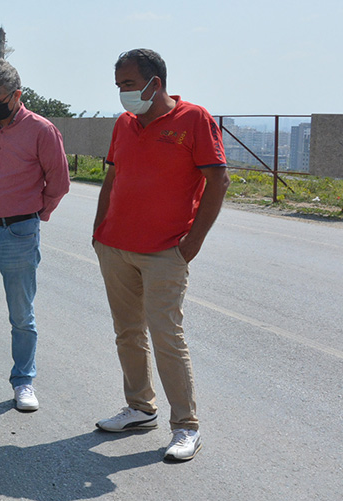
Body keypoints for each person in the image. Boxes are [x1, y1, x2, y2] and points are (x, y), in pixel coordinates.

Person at [91, 48, 229, 462]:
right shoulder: (124, 123)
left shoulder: (194, 119)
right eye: (119, 86)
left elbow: (218, 181)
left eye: (129, 85)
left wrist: (192, 243)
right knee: (127, 332)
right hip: (116, 247)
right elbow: (112, 176)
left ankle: (186, 426)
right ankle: (139, 407)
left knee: (166, 335)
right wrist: (99, 230)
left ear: (156, 83)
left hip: (165, 251)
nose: (123, 94)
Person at [0, 57, 70, 411]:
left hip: (18, 231)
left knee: (21, 313)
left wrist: (36, 216)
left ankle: (23, 381)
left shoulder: (41, 130)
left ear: (17, 95)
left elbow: (58, 181)